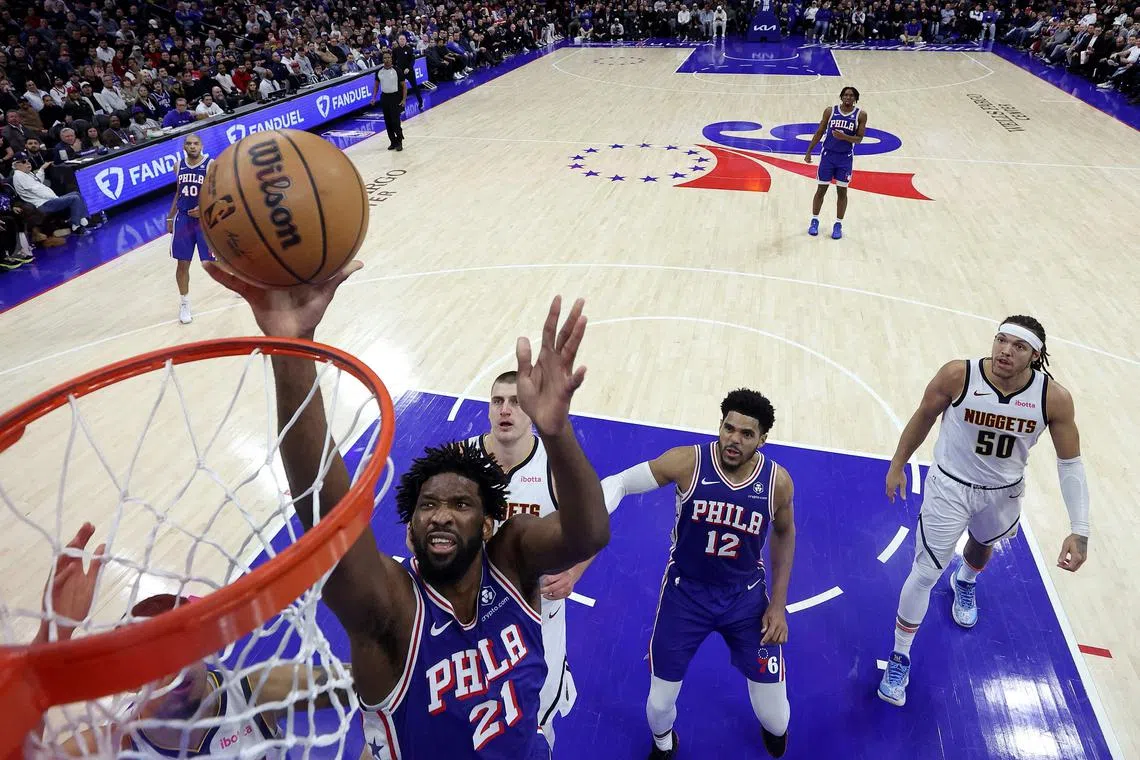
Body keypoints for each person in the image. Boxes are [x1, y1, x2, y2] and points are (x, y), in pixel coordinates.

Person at [201, 260, 610, 760]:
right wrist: (293, 350)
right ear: (410, 531)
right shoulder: (392, 612)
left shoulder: (512, 561)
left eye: (460, 503)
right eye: (427, 505)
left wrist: (557, 430)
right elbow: (329, 520)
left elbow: (589, 534)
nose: (441, 514)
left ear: (487, 524)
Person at [877, 316, 1090, 707]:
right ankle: (899, 656)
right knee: (924, 572)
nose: (1006, 351)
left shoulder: (1052, 398)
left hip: (1002, 493)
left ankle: (966, 580)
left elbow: (1070, 462)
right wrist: (897, 463)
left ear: (1035, 355)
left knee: (981, 545)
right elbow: (924, 416)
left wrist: (1079, 528)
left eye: (1018, 346)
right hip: (950, 487)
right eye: (1001, 340)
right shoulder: (959, 375)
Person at [29, 523, 348, 756]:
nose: (176, 667)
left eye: (182, 647)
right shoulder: (116, 746)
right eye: (155, 659)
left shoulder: (257, 693)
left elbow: (361, 681)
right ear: (131, 681)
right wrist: (50, 638)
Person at [601, 389, 795, 760]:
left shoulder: (777, 482)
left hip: (746, 599)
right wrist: (593, 512)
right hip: (685, 595)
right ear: (719, 426)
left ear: (763, 439)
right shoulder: (687, 462)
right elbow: (621, 482)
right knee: (658, 705)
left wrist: (779, 604)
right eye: (728, 428)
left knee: (776, 718)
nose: (733, 439)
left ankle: (773, 727)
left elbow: (785, 533)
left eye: (746, 434)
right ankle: (663, 744)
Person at [467, 370, 599, 751]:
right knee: (469, 712)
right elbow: (422, 526)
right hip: (472, 607)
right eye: (497, 402)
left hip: (537, 612)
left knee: (535, 719)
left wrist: (574, 571)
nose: (506, 410)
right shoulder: (461, 459)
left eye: (517, 402)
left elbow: (594, 526)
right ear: (489, 410)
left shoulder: (556, 466)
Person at [803, 86, 867, 241]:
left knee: (842, 193)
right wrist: (809, 150)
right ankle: (814, 220)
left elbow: (859, 139)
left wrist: (844, 137)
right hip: (828, 156)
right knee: (821, 190)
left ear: (855, 98)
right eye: (845, 95)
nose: (848, 97)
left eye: (851, 95)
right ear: (841, 97)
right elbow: (819, 131)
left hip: (845, 158)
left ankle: (838, 224)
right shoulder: (830, 111)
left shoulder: (861, 115)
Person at [166, 134, 213, 325]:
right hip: (183, 219)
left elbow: (219, 193)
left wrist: (204, 209)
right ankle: (184, 303)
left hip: (204, 220)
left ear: (201, 145)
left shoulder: (211, 164)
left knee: (212, 263)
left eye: (195, 143)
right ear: (184, 147)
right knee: (182, 263)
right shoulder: (178, 165)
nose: (192, 146)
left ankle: (237, 284)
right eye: (188, 143)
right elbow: (178, 192)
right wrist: (170, 216)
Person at [10, 152, 92, 235]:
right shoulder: (19, 176)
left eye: (28, 160)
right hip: (43, 204)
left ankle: (80, 218)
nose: (28, 163)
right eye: (24, 162)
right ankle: (76, 225)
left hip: (47, 200)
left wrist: (42, 169)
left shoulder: (26, 173)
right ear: (16, 165)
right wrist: (55, 198)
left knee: (76, 194)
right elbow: (37, 190)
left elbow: (37, 181)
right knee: (74, 198)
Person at [371, 50, 406, 151]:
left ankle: (399, 141)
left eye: (388, 58)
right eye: (385, 58)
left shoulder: (397, 70)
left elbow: (404, 86)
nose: (387, 60)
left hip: (395, 97)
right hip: (385, 97)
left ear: (391, 59)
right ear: (382, 60)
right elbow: (376, 86)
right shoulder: (379, 72)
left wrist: (403, 100)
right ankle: (393, 141)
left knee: (395, 121)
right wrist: (373, 97)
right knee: (388, 121)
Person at [393, 34, 424, 110]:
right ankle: (401, 107)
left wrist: (409, 68)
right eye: (400, 39)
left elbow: (412, 60)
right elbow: (393, 61)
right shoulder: (395, 50)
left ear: (406, 40)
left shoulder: (409, 49)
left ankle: (420, 102)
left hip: (409, 71)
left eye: (403, 39)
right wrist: (396, 70)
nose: (402, 40)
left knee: (415, 87)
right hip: (400, 72)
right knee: (400, 89)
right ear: (398, 40)